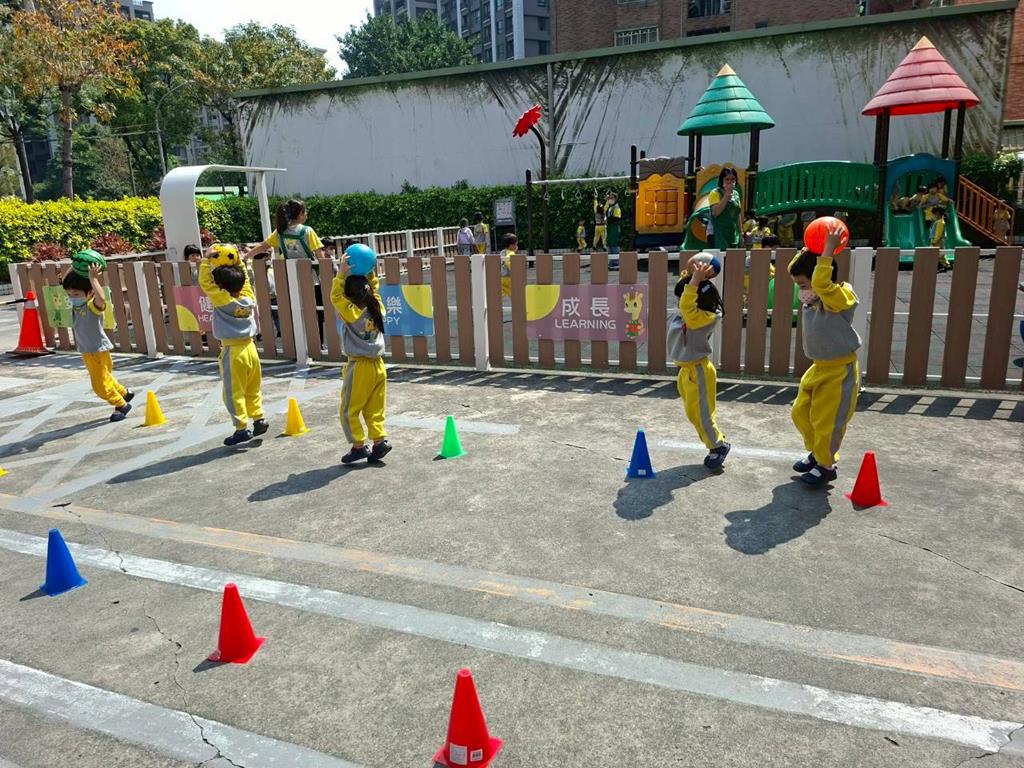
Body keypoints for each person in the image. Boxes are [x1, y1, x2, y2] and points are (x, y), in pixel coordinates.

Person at [787, 222, 861, 486]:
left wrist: (828, 250)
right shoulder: (813, 300)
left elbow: (822, 282)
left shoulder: (840, 297)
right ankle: (818, 454)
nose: (801, 290)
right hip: (818, 367)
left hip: (839, 372)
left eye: (803, 284)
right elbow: (806, 274)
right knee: (800, 412)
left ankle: (826, 465)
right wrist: (811, 248)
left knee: (826, 421)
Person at [199, 245, 267, 446]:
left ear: (220, 285)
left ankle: (241, 428)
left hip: (233, 352)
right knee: (253, 387)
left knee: (233, 392)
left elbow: (205, 283)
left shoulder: (222, 300)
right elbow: (245, 282)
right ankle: (259, 418)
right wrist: (239, 261)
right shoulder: (249, 299)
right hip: (251, 349)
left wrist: (206, 260)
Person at [668, 254, 730, 470]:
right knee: (693, 413)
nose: (679, 302)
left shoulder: (699, 318)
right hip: (687, 371)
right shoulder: (692, 312)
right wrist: (694, 275)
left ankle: (718, 446)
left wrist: (695, 281)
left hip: (698, 371)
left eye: (683, 298)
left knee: (702, 414)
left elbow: (687, 303)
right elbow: (684, 291)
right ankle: (715, 442)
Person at [331, 257, 390, 465]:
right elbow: (375, 291)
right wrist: (370, 273)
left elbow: (335, 296)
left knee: (349, 410)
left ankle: (358, 446)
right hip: (379, 366)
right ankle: (379, 441)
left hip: (360, 367)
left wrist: (340, 274)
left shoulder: (351, 313)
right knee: (374, 408)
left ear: (349, 296)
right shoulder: (377, 308)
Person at [244, 198, 327, 346]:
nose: (306, 214)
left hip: (291, 278)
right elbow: (320, 256)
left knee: (295, 311)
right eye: (305, 211)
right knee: (314, 311)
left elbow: (263, 246)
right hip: (311, 278)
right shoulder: (307, 231)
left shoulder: (280, 233)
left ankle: (297, 344)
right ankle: (317, 344)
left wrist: (246, 256)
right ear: (300, 214)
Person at [62, 263, 134, 422]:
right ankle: (124, 393)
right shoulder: (77, 307)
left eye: (76, 294)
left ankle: (121, 405)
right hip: (88, 351)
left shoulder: (92, 307)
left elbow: (101, 298)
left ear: (90, 293)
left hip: (97, 351)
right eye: (69, 294)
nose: (72, 297)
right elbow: (65, 282)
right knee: (105, 377)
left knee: (100, 386)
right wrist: (75, 265)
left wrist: (93, 278)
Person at [707, 167, 742, 250]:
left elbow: (737, 214)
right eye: (727, 179)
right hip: (717, 232)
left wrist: (741, 233)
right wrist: (726, 195)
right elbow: (715, 212)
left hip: (732, 232)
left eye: (732, 179)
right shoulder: (715, 193)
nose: (730, 182)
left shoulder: (736, 194)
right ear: (722, 180)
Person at [930, 206, 951, 271]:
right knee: (940, 254)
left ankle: (943, 265)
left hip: (938, 241)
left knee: (937, 253)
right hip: (938, 240)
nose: (934, 216)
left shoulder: (940, 222)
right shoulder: (940, 221)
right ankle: (946, 265)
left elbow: (938, 233)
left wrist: (935, 241)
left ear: (937, 213)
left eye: (934, 214)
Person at [605, 191, 623, 270]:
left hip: (614, 227)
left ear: (615, 199)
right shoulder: (610, 207)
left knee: (614, 244)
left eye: (611, 198)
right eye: (609, 198)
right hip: (610, 228)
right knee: (610, 244)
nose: (610, 199)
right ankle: (612, 261)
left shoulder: (616, 207)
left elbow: (617, 218)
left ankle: (616, 262)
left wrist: (608, 220)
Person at [500, 233, 518, 297]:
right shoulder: (511, 253)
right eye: (516, 244)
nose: (516, 246)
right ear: (511, 245)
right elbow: (508, 261)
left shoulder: (502, 252)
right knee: (513, 294)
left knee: (504, 293)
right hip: (508, 277)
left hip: (501, 277)